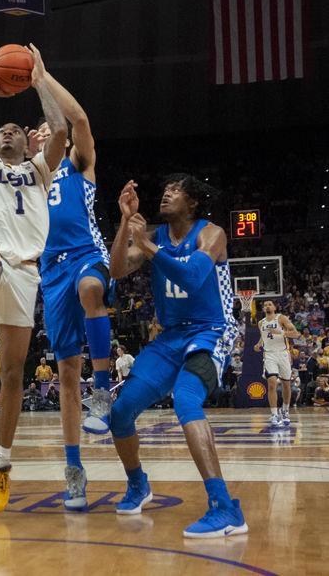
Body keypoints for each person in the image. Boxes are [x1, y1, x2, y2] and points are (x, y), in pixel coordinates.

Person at [108, 174, 247, 538]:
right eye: (165, 189)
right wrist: (125, 223)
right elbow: (117, 268)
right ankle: (138, 483)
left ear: (193, 201)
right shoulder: (152, 236)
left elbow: (192, 276)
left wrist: (149, 248)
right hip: (170, 336)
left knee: (187, 399)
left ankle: (225, 507)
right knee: (120, 412)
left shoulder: (211, 233)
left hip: (211, 329)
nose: (166, 194)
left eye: (175, 191)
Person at [0, 44, 67, 512]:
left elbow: (61, 129)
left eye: (12, 131)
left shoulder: (41, 171)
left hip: (26, 274)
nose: (3, 133)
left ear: (27, 141)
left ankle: (1, 461)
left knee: (14, 373)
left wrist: (40, 79)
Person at [28, 44, 113, 509]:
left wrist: (43, 79)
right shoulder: (29, 177)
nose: (44, 132)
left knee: (91, 288)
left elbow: (77, 121)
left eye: (47, 128)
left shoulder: (79, 164)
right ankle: (74, 469)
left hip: (86, 253)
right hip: (49, 270)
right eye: (37, 131)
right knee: (64, 372)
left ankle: (102, 393)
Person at [254, 300, 299, 427]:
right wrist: (258, 344)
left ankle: (284, 410)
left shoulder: (281, 318)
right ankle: (274, 414)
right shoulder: (261, 323)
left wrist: (282, 332)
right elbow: (263, 337)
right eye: (265, 305)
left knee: (286, 384)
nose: (267, 306)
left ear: (274, 307)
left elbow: (296, 334)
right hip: (269, 355)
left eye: (269, 304)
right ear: (263, 309)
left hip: (283, 354)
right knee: (272, 383)